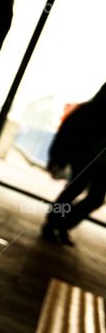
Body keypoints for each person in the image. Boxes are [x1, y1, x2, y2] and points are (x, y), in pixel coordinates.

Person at [43, 84, 106, 245]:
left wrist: (57, 157)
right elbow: (67, 134)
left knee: (81, 193)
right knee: (85, 194)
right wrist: (57, 157)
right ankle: (58, 224)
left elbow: (65, 132)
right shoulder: (89, 111)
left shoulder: (87, 110)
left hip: (92, 161)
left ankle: (57, 224)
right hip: (87, 159)